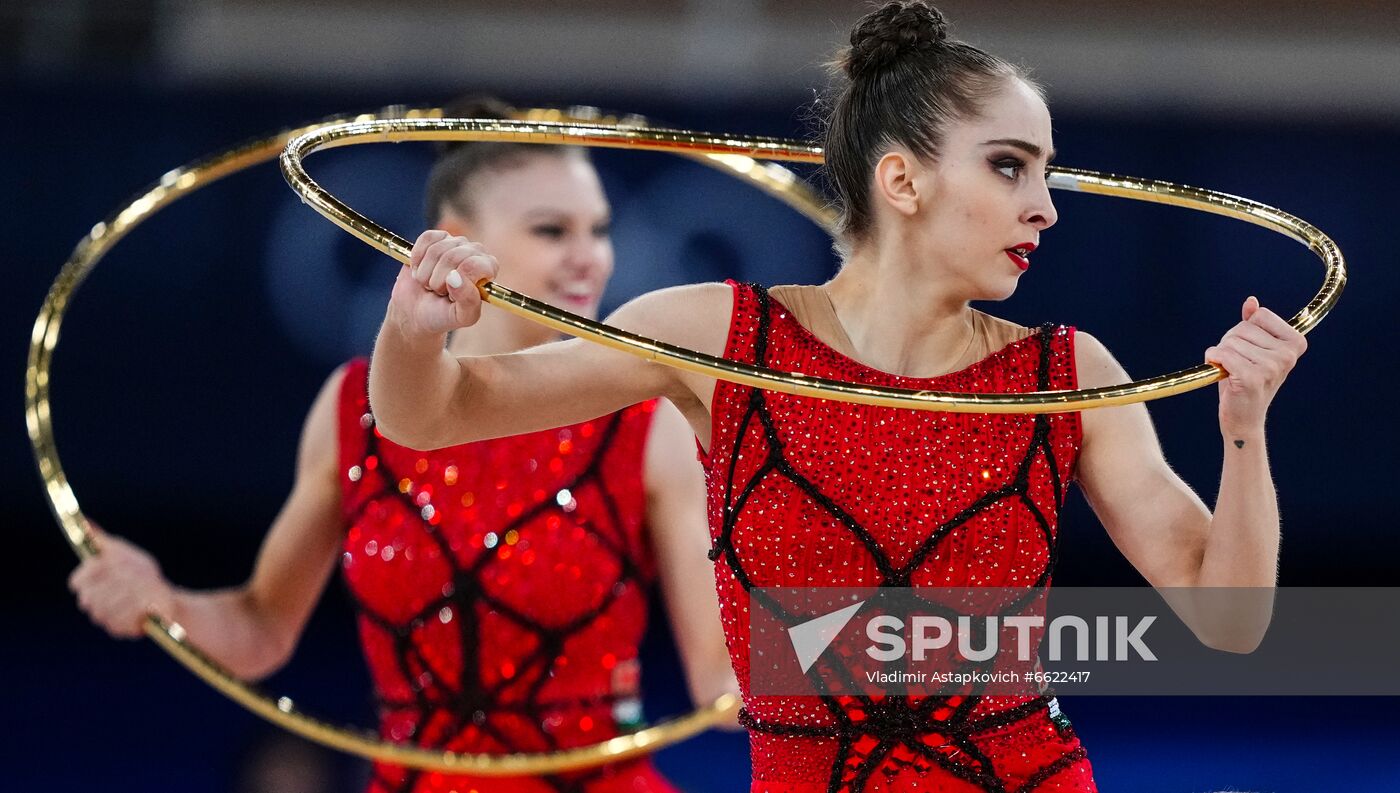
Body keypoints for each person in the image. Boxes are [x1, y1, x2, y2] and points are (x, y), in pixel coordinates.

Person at [366, 4, 1309, 790]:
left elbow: (1229, 619)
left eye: (1048, 173)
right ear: (901, 179)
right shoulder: (717, 339)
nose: (1046, 207)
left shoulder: (1069, 373)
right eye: (1011, 165)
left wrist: (1245, 430)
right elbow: (432, 415)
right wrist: (413, 328)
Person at [68, 97, 737, 793]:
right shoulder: (352, 409)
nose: (589, 257)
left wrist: (860, 622)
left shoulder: (644, 421)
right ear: (452, 238)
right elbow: (262, 628)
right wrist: (167, 604)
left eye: (598, 229)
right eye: (551, 230)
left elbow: (723, 675)